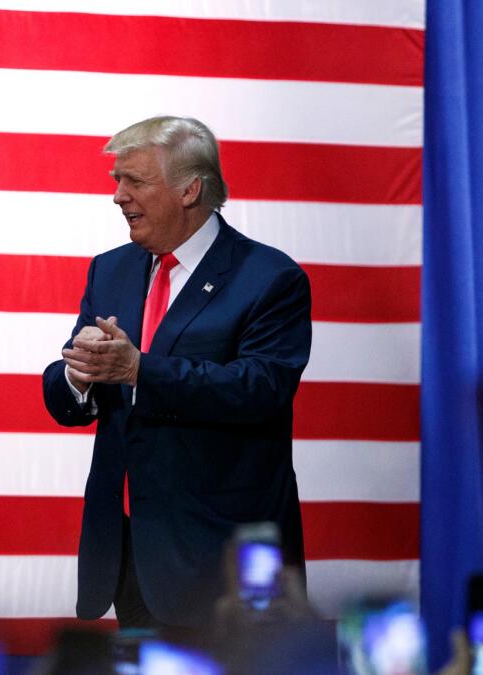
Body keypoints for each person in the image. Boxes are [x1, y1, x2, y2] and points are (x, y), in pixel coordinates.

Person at [41, 116, 311, 633]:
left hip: (221, 560)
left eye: (134, 181)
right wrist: (79, 375)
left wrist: (140, 369)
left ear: (190, 189)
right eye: (117, 181)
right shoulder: (111, 269)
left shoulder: (270, 278)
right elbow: (66, 391)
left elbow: (261, 388)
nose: (118, 196)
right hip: (129, 552)